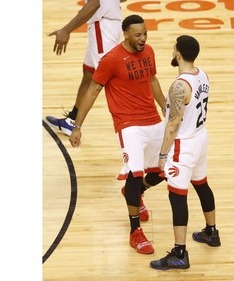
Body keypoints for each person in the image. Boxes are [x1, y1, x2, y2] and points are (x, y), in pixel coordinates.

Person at [69, 14, 166, 255]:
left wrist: (166, 109)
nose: (143, 39)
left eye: (145, 33)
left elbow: (152, 79)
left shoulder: (149, 51)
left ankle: (135, 193)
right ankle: (135, 232)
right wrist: (77, 126)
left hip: (154, 121)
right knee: (135, 173)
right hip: (128, 124)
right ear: (125, 34)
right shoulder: (111, 59)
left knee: (160, 173)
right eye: (138, 35)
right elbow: (92, 91)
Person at [149, 35, 221, 270]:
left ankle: (179, 253)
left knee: (177, 196)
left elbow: (173, 124)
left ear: (178, 53)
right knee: (201, 184)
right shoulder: (202, 74)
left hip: (184, 144)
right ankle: (211, 232)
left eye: (173, 48)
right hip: (201, 137)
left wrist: (162, 156)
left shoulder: (179, 86)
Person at [45, 0, 127, 136]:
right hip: (110, 24)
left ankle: (135, 123)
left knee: (110, 78)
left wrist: (66, 30)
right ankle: (72, 120)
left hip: (102, 27)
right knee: (89, 73)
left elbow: (94, 4)